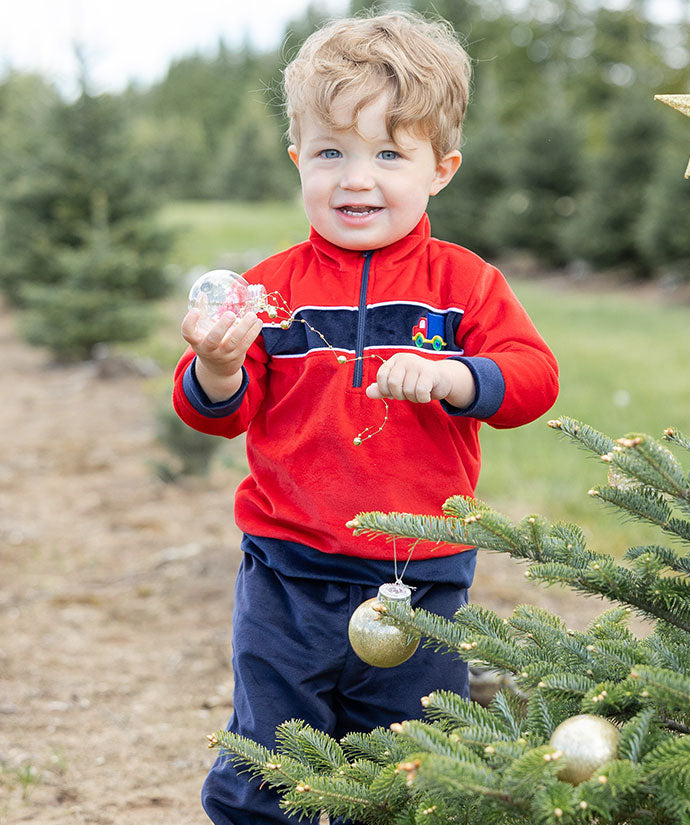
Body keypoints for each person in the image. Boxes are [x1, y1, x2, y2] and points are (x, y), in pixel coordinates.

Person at [171, 10, 559, 825]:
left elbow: (534, 379)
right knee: (272, 749)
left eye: (389, 153)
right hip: (287, 567)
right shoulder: (269, 288)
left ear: (441, 168)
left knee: (404, 754)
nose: (356, 178)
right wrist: (216, 365)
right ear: (297, 160)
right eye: (331, 153)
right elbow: (218, 414)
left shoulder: (464, 284)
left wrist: (459, 376)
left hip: (421, 572)